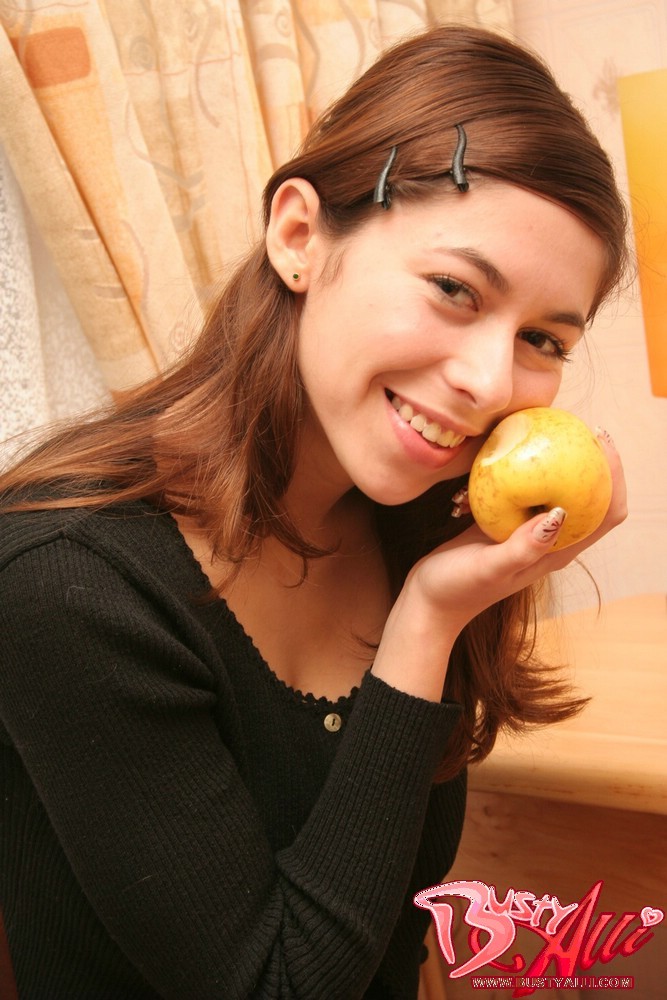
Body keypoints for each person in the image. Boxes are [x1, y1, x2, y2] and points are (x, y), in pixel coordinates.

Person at [0, 24, 628, 1000]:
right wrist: (424, 622)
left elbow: (393, 932)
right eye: (454, 288)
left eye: (544, 338)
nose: (489, 380)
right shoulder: (67, 575)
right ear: (299, 236)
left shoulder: (417, 518)